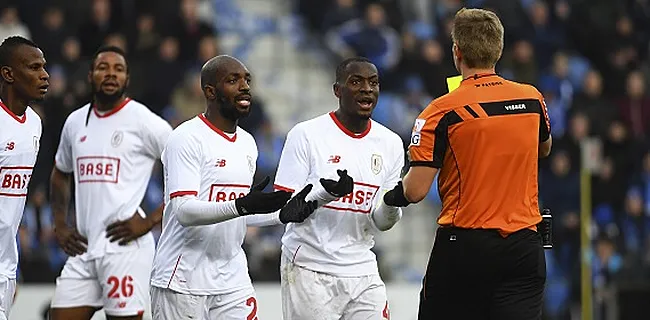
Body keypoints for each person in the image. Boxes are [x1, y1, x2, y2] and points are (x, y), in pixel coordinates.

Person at [383, 8, 552, 320]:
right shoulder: (531, 99)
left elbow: (416, 190)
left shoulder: (440, 111)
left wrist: (390, 196)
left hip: (465, 246)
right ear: (498, 50)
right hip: (524, 246)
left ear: (456, 52)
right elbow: (543, 149)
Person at [149, 55, 317, 320]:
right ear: (210, 92)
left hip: (232, 277)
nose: (244, 86)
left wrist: (280, 215)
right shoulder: (186, 138)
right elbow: (184, 211)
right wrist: (241, 205)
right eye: (233, 80)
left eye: (247, 80)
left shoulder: (248, 143)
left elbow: (237, 213)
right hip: (182, 278)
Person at [274, 56, 405, 320]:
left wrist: (392, 204)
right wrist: (324, 194)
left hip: (362, 267)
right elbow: (284, 207)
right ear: (337, 90)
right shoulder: (306, 135)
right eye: (356, 82)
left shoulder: (390, 143)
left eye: (373, 83)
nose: (367, 89)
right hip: (310, 267)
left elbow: (380, 222)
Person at [49, 45, 172, 320]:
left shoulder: (143, 121)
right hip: (84, 248)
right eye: (103, 67)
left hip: (124, 249)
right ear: (90, 75)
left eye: (118, 69)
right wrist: (59, 224)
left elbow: (188, 169)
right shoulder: (75, 122)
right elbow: (60, 171)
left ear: (127, 79)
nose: (111, 74)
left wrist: (151, 221)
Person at [0, 36, 49, 320]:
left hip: (6, 266)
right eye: (33, 68)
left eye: (43, 67)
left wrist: (10, 270)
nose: (44, 75)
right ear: (8, 74)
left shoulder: (34, 124)